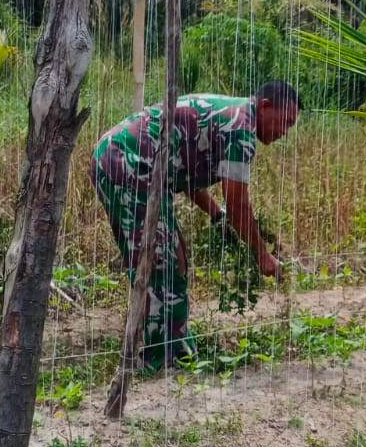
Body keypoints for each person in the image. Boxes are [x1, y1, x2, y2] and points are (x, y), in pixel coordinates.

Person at [91, 79, 300, 372]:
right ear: (265, 106)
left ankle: (174, 345)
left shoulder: (233, 115)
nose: (284, 132)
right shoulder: (241, 129)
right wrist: (262, 256)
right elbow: (239, 204)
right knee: (160, 261)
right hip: (126, 162)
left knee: (171, 257)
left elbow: (186, 171)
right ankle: (157, 358)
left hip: (121, 159)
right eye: (285, 122)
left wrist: (216, 215)